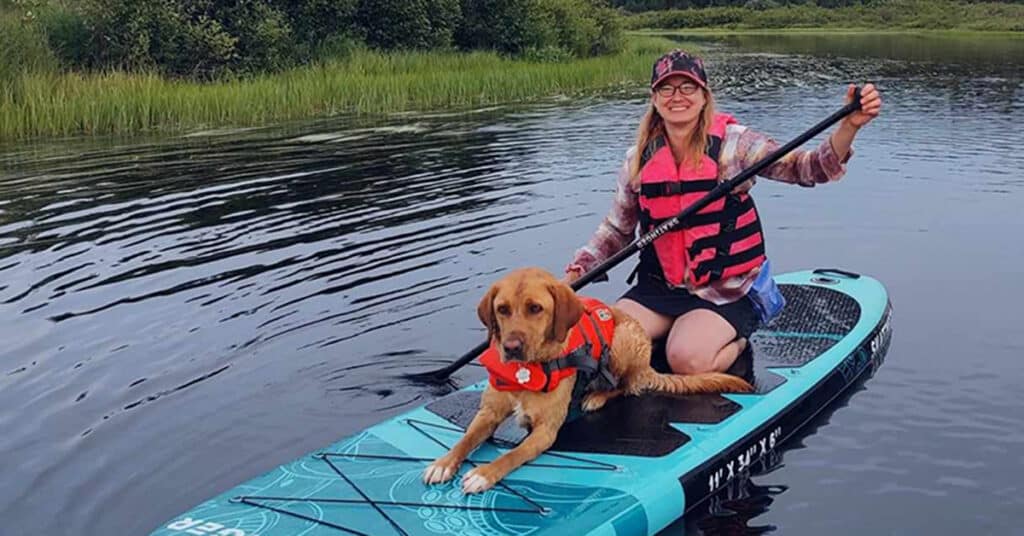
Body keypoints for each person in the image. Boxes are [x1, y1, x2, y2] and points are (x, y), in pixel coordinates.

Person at [562, 49, 882, 376]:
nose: (677, 97)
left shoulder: (735, 145)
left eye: (687, 88)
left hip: (728, 289)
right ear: (654, 98)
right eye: (667, 89)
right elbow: (616, 231)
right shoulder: (637, 160)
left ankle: (738, 338)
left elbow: (808, 169)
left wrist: (849, 127)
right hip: (660, 287)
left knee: (686, 359)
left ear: (704, 96)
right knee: (607, 347)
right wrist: (575, 273)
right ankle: (672, 333)